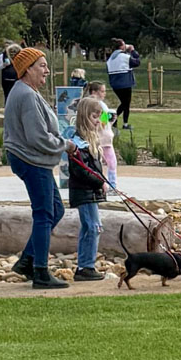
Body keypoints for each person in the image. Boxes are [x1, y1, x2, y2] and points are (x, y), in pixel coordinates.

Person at [3, 48, 77, 289]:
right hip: (32, 160)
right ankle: (41, 271)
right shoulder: (26, 95)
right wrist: (65, 145)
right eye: (42, 65)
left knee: (55, 210)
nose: (47, 70)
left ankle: (27, 260)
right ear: (28, 69)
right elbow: (37, 137)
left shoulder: (27, 92)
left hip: (33, 160)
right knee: (45, 213)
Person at [68, 98, 108, 282]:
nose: (97, 121)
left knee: (89, 227)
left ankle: (84, 265)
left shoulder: (90, 140)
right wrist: (99, 182)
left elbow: (94, 168)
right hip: (85, 191)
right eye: (94, 117)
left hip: (90, 191)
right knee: (93, 227)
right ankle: (86, 265)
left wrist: (102, 180)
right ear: (84, 116)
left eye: (98, 117)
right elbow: (81, 170)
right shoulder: (78, 143)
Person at [85, 81, 118, 188]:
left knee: (112, 163)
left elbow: (105, 123)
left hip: (106, 139)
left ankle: (112, 185)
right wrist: (106, 119)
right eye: (102, 91)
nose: (104, 94)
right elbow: (100, 122)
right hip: (97, 139)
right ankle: (99, 185)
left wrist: (111, 119)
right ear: (94, 92)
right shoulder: (90, 104)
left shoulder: (102, 105)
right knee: (96, 164)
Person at [106, 38, 141, 130]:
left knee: (124, 103)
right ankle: (116, 120)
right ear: (121, 46)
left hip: (115, 84)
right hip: (125, 82)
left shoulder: (110, 59)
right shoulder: (125, 57)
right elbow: (137, 62)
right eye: (124, 44)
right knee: (126, 103)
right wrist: (132, 51)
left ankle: (114, 120)